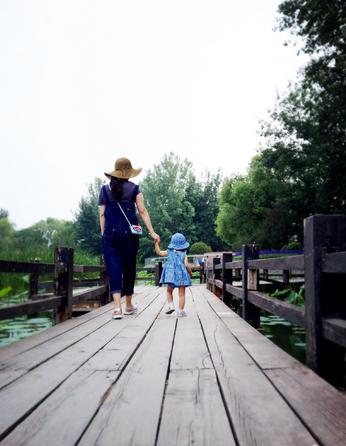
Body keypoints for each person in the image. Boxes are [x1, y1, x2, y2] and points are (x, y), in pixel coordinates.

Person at [98, 157, 160, 320]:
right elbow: (143, 211)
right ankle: (129, 305)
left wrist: (104, 235)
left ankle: (117, 309)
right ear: (128, 173)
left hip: (110, 236)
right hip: (129, 236)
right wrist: (152, 232)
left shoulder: (104, 190)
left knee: (114, 269)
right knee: (129, 268)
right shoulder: (134, 189)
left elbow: (102, 214)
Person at [154, 233, 193, 317]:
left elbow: (159, 252)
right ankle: (180, 311)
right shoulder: (184, 254)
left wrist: (156, 243)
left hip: (170, 275)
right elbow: (186, 265)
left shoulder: (169, 252)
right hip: (181, 276)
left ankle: (171, 305)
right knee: (182, 294)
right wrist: (190, 272)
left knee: (169, 291)